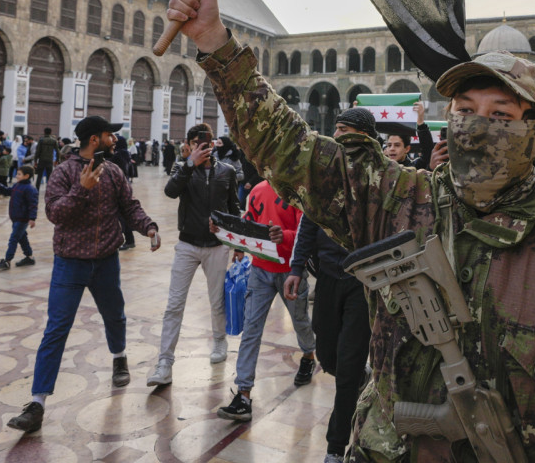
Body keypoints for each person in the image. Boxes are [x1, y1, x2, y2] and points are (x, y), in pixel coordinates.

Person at [167, 0, 535, 461]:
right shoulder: (398, 201)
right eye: (463, 109)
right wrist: (215, 41)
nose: (476, 127)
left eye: (500, 115)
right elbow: (289, 149)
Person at [6, 116, 162, 434]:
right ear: (94, 139)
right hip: (70, 262)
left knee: (114, 315)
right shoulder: (64, 172)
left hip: (106, 260)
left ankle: (119, 356)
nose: (114, 139)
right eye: (109, 134)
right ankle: (37, 403)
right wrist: (82, 189)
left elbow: (129, 206)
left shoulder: (115, 171)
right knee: (56, 328)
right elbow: (55, 213)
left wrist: (149, 226)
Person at [287, 108, 376, 463]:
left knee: (348, 366)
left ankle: (335, 448)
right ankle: (357, 375)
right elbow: (309, 223)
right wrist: (296, 267)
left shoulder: (378, 177)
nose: (338, 136)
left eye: (346, 130)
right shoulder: (324, 175)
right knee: (328, 355)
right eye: (336, 129)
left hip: (361, 283)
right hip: (327, 277)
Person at [215, 179, 317, 422]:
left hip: (290, 271)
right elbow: (248, 224)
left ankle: (309, 355)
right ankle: (243, 395)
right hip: (259, 270)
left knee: (300, 319)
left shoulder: (296, 192)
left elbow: (307, 232)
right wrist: (225, 234)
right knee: (251, 329)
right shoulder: (257, 191)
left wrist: (286, 236)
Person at [147, 123, 240, 387]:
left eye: (208, 143)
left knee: (216, 300)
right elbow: (170, 192)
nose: (205, 147)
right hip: (187, 245)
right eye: (199, 143)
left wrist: (238, 246)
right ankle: (165, 362)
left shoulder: (227, 171)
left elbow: (235, 210)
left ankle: (220, 341)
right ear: (189, 144)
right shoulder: (181, 169)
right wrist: (190, 164)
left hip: (217, 246)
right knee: (174, 303)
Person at [0, 164, 38, 270]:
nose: (16, 176)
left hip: (22, 219)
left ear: (26, 176)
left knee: (13, 239)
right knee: (22, 238)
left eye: (19, 174)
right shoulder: (17, 185)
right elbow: (8, 191)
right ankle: (29, 257)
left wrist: (32, 218)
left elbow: (33, 205)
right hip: (15, 217)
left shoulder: (30, 189)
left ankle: (7, 261)